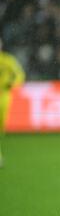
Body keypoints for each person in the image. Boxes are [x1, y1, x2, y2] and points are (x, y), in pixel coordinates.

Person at [0, 38, 25, 168]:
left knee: (1, 126)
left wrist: (13, 84)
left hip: (4, 95)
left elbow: (19, 75)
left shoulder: (8, 60)